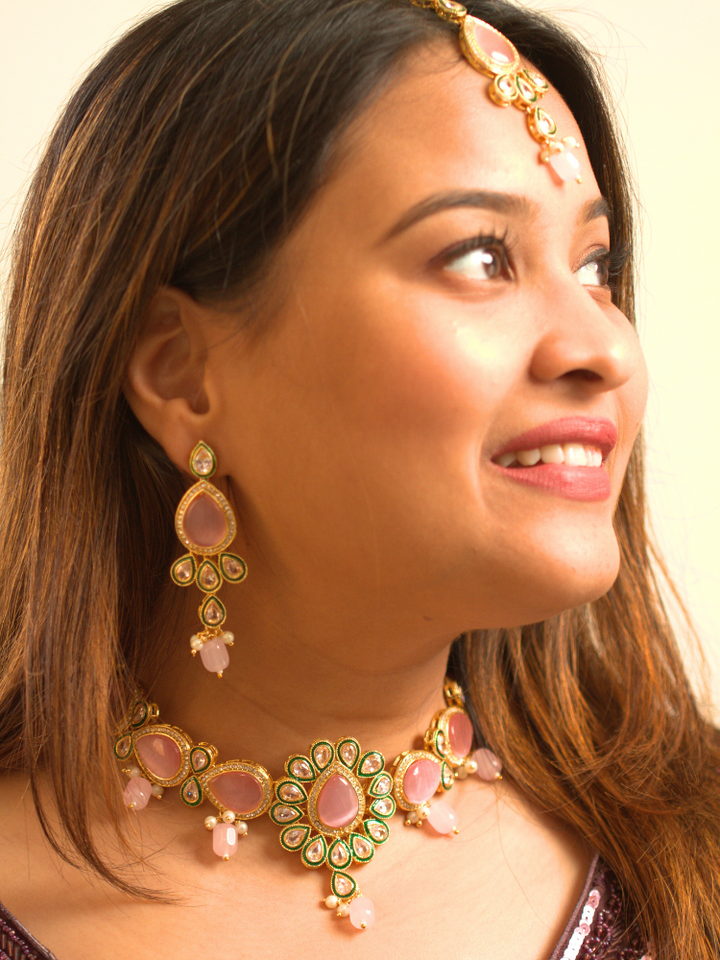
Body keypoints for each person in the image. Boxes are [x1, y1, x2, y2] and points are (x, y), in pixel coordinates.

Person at [0, 0, 717, 957]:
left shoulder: (694, 863)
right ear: (180, 371)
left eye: (596, 266)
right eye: (479, 256)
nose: (604, 348)